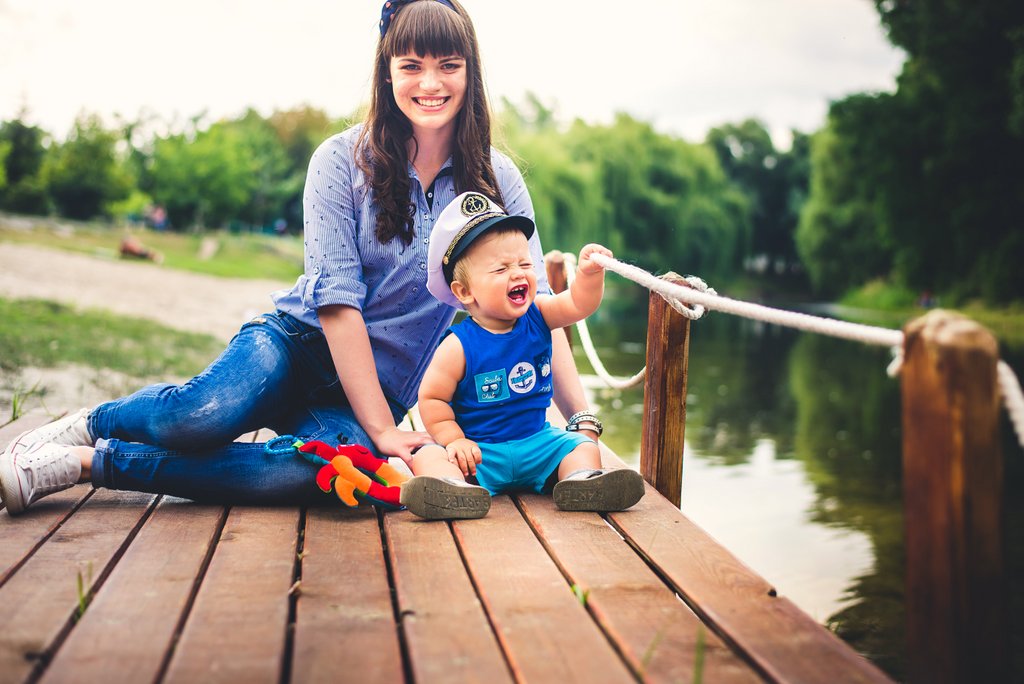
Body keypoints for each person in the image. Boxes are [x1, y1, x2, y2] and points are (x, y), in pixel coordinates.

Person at [0, 0, 601, 515]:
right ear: (386, 74)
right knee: (200, 416)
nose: (430, 82)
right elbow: (338, 305)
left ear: (470, 74)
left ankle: (88, 464)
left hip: (372, 388)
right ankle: (95, 422)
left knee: (319, 478)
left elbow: (537, 315)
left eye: (448, 65)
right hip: (294, 345)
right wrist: (387, 433)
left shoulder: (496, 179)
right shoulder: (338, 161)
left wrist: (579, 421)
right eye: (411, 65)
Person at [399, 192, 645, 520]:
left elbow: (577, 305)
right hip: (481, 452)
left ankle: (581, 482)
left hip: (537, 443)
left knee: (581, 447)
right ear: (464, 291)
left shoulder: (540, 314)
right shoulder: (458, 346)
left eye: (525, 264)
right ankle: (453, 489)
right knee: (430, 453)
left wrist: (588, 277)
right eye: (501, 268)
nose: (518, 274)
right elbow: (431, 400)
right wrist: (454, 440)